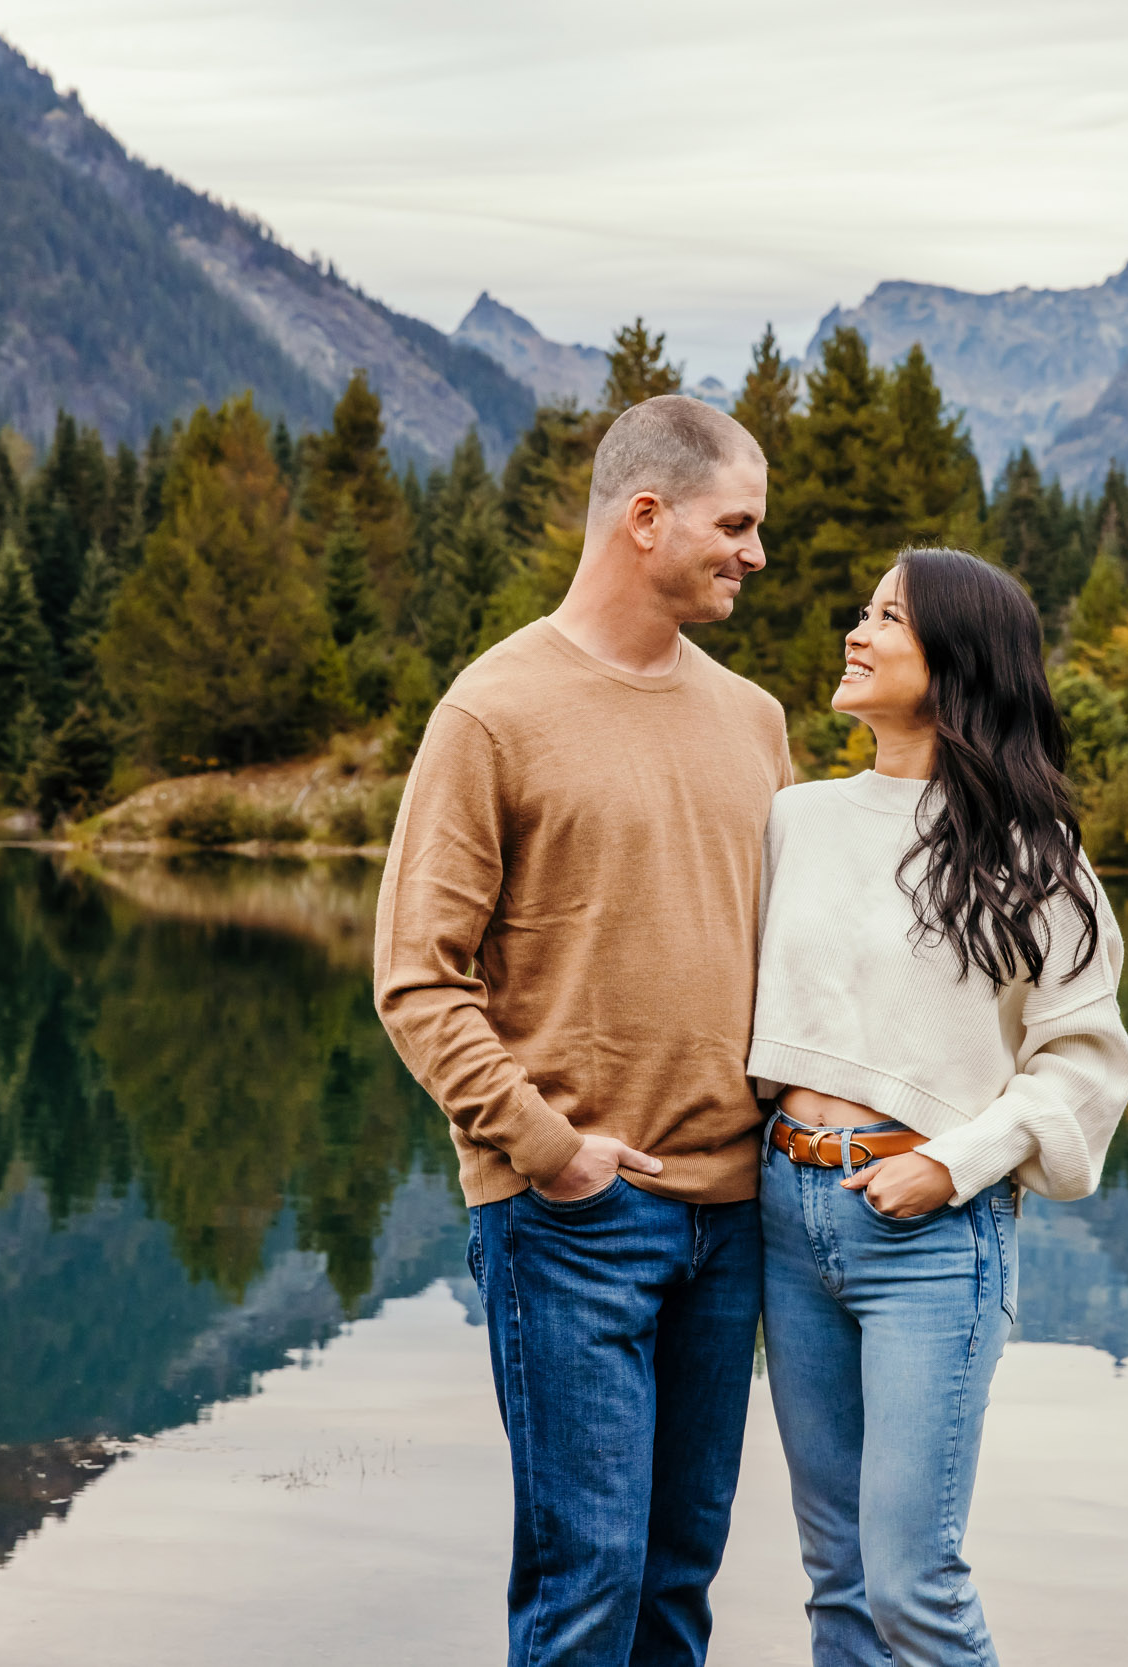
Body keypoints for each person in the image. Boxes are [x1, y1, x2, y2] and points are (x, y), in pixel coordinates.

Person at [373, 395, 792, 1667]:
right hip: (571, 1222)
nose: (755, 554)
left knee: (675, 1588)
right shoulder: (491, 712)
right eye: (738, 524)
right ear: (644, 517)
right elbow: (414, 978)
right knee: (584, 1591)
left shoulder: (755, 720)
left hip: (735, 1222)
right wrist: (547, 1149)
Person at [751, 547, 1128, 1667]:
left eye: (887, 619)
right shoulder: (797, 820)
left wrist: (957, 1160)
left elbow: (1083, 1063)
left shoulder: (1034, 856)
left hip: (929, 1229)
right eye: (860, 610)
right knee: (838, 1580)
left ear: (957, 662)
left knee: (913, 1582)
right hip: (784, 1209)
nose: (854, 633)